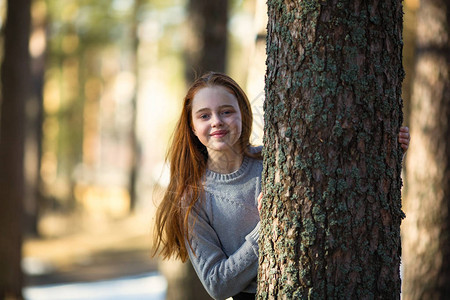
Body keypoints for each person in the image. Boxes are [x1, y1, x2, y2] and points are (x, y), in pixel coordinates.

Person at [152, 72, 411, 300]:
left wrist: (388, 154)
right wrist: (267, 227)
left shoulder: (275, 159)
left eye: (226, 111)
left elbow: (339, 186)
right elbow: (217, 285)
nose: (217, 121)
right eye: (204, 115)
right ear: (193, 127)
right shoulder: (192, 198)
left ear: (242, 112)